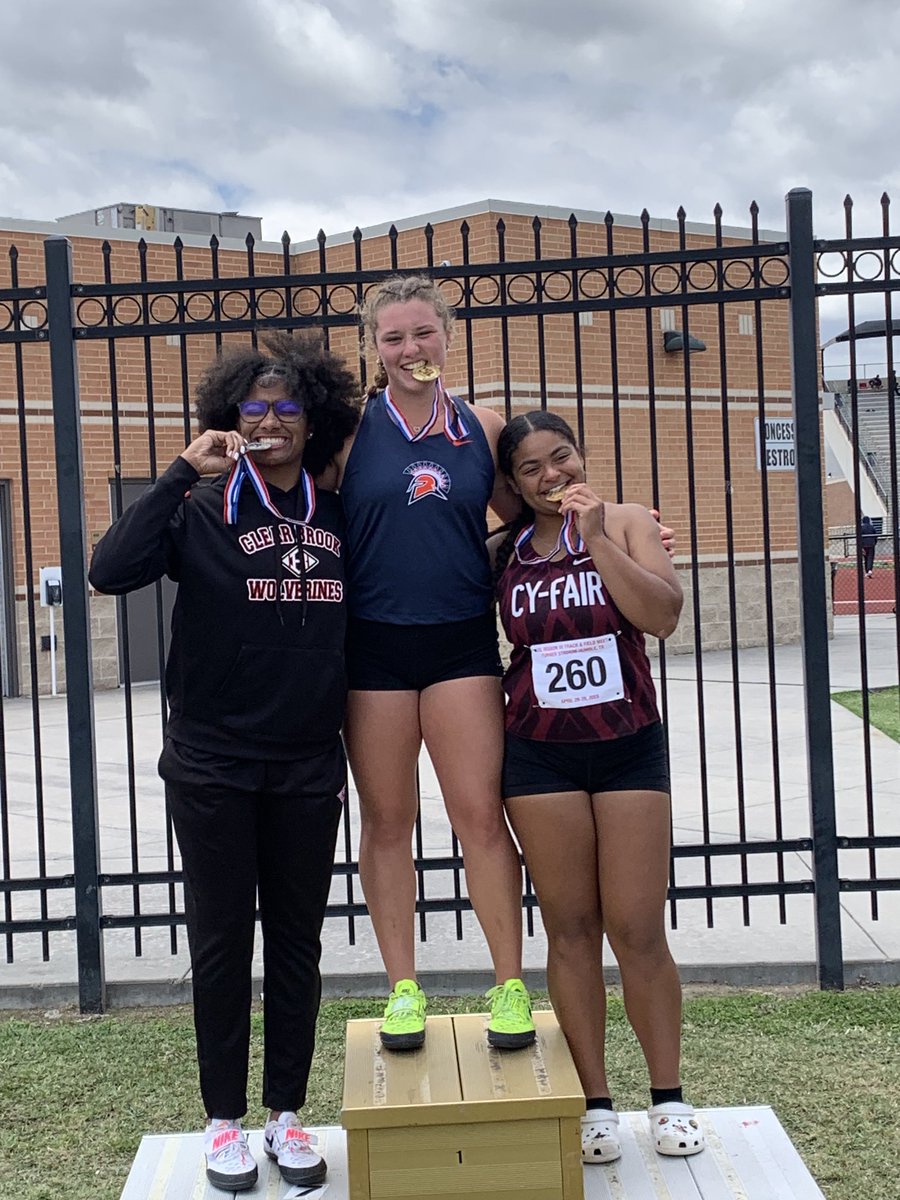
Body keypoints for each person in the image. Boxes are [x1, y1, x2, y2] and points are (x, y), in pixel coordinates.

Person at [89, 333, 359, 1192]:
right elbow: (108, 570)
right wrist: (180, 470)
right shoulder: (201, 507)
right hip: (212, 763)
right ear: (230, 418)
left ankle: (286, 1114)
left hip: (308, 763)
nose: (272, 422)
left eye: (288, 409)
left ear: (313, 420)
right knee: (220, 944)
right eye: (255, 410)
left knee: (297, 944)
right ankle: (223, 1124)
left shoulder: (336, 513)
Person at [323, 275, 536, 1051]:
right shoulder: (349, 434)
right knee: (388, 822)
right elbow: (294, 507)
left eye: (423, 332)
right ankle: (403, 991)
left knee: (479, 816)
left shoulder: (481, 427)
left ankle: (509, 985)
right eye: (393, 337)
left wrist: (622, 529)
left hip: (460, 645)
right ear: (373, 347)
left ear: (448, 334)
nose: (411, 348)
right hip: (373, 648)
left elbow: (534, 515)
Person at [489, 410, 704, 1166]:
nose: (553, 476)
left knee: (639, 928)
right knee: (572, 928)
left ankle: (668, 1096)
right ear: (513, 484)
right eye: (531, 469)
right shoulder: (502, 551)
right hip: (538, 756)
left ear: (581, 456)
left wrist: (598, 540)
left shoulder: (630, 521)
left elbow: (663, 616)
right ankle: (595, 1104)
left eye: (562, 457)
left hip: (628, 748)